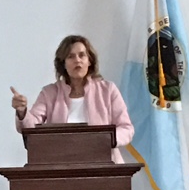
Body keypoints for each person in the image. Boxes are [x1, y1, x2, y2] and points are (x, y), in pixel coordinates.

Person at [11, 34, 135, 162]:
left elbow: (126, 128)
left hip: (105, 164)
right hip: (61, 166)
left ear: (90, 61)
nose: (77, 60)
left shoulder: (108, 90)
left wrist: (107, 140)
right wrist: (22, 111)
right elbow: (31, 129)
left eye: (82, 55)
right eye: (70, 56)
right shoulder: (49, 93)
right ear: (63, 64)